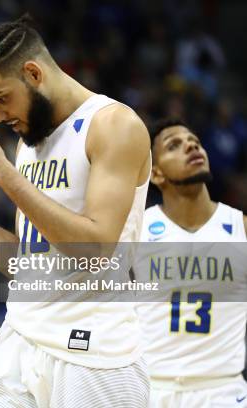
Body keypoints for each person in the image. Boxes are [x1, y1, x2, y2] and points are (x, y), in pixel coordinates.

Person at [0, 15, 151, 406]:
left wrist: (2, 173)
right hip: (20, 341)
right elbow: (23, 264)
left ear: (33, 73)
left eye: (1, 98)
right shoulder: (31, 140)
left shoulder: (113, 125)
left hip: (92, 356)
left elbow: (94, 250)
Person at [133, 118, 247, 407]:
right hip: (153, 389)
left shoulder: (240, 227)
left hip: (223, 389)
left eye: (193, 141)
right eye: (174, 145)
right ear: (156, 174)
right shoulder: (135, 230)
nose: (191, 145)